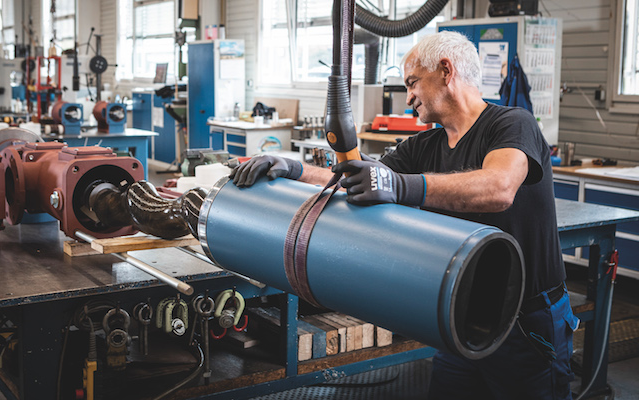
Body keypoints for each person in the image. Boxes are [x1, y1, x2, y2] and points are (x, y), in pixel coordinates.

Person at [230, 31, 578, 400]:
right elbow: (357, 179)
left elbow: (498, 188)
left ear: (446, 70)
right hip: (459, 315)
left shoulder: (511, 123)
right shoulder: (423, 145)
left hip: (525, 321)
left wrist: (402, 187)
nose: (408, 95)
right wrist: (291, 169)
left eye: (412, 83)